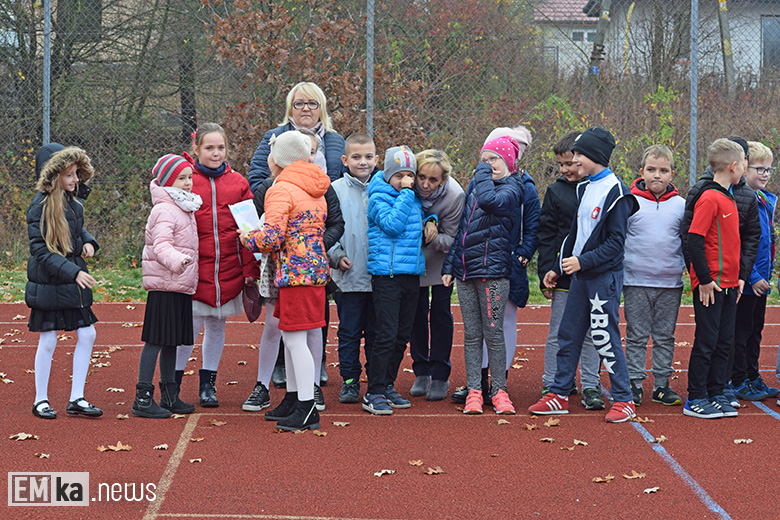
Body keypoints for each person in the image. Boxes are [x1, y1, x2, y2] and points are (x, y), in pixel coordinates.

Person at [529, 127, 638, 423]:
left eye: (578, 155)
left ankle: (624, 399)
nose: (574, 160)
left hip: (603, 278)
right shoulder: (585, 187)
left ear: (595, 156)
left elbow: (616, 244)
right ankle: (559, 393)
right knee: (568, 333)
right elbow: (574, 236)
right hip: (579, 277)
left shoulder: (617, 193)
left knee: (604, 336)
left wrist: (583, 262)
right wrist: (558, 266)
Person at [248, 82, 345, 387]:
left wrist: (246, 237)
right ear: (290, 107)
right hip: (284, 241)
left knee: (314, 313)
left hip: (314, 242)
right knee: (280, 314)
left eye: (312, 103)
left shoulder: (335, 141)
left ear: (322, 108)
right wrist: (282, 187)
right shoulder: (273, 141)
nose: (306, 108)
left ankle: (308, 384)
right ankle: (283, 372)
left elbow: (335, 189)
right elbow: (257, 181)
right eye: (300, 103)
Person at [240, 130, 330, 431]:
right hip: (313, 272)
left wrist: (247, 237)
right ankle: (294, 398)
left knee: (293, 340)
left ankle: (306, 406)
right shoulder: (315, 187)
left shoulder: (281, 189)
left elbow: (273, 236)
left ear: (278, 159)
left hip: (295, 274)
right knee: (296, 338)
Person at [442, 127, 528, 415]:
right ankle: (474, 389)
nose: (488, 164)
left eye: (494, 159)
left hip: (493, 274)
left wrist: (482, 172)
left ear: (509, 162)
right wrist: (450, 265)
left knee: (493, 332)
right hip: (467, 273)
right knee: (472, 333)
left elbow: (493, 202)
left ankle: (499, 389)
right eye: (484, 158)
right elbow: (463, 230)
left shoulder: (512, 188)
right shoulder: (475, 187)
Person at [175, 123, 259, 407]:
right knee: (188, 328)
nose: (216, 153)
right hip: (193, 271)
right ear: (196, 150)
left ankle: (207, 384)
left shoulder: (238, 183)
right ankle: (171, 384)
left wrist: (250, 269)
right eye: (209, 148)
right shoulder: (186, 180)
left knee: (216, 326)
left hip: (227, 270)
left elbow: (249, 230)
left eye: (220, 147)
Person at [681, 136, 760, 407]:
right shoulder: (709, 198)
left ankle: (716, 392)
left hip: (729, 284)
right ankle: (697, 396)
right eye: (746, 164)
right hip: (710, 284)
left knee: (725, 340)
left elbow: (735, 243)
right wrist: (703, 280)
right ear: (734, 167)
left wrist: (739, 278)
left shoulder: (729, 198)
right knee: (707, 341)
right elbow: (694, 238)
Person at [27, 145, 102, 419]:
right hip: (50, 282)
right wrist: (73, 272)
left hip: (71, 279)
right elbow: (41, 250)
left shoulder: (73, 201)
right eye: (69, 175)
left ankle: (77, 398)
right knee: (48, 340)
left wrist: (88, 241)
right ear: (53, 175)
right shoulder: (39, 206)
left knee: (88, 333)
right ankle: (40, 400)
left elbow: (76, 227)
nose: (75, 180)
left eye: (76, 174)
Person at [534, 130, 603, 410]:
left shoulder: (600, 190)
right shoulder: (555, 191)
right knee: (560, 331)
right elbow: (547, 235)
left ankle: (591, 385)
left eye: (569, 163)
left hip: (593, 273)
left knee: (591, 333)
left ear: (583, 160)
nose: (564, 170)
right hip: (562, 276)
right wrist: (547, 272)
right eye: (560, 165)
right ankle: (553, 381)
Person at [133, 155, 201, 418]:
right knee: (156, 341)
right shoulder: (164, 209)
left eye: (189, 177)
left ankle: (170, 396)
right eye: (181, 178)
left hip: (179, 284)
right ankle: (142, 398)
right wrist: (178, 260)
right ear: (168, 182)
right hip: (165, 285)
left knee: (171, 341)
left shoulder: (184, 207)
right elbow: (161, 246)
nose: (187, 183)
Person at [362, 146, 428, 415]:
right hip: (386, 276)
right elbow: (392, 225)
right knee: (386, 335)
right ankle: (373, 390)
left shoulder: (411, 199)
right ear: (388, 174)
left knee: (402, 335)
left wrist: (431, 219)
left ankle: (388, 383)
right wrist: (406, 193)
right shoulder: (379, 197)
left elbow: (417, 224)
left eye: (409, 175)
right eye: (399, 175)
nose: (405, 180)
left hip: (410, 275)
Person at [623, 145, 685, 407]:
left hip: (670, 283)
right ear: (641, 172)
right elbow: (619, 238)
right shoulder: (629, 202)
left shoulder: (682, 205)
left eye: (663, 170)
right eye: (651, 170)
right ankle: (634, 383)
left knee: (664, 336)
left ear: (672, 173)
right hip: (636, 281)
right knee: (636, 335)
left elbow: (687, 240)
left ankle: (661, 385)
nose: (656, 175)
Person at [409, 149, 465, 401]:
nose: (425, 184)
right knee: (415, 314)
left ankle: (440, 374)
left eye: (433, 180)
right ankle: (421, 371)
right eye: (421, 177)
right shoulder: (406, 187)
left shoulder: (455, 195)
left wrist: (429, 234)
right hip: (413, 260)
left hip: (442, 259)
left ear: (443, 180)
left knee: (440, 313)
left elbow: (452, 238)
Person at [328, 133, 379, 404]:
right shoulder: (334, 189)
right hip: (347, 277)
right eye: (357, 157)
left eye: (368, 157)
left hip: (378, 277)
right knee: (348, 332)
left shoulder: (383, 187)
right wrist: (335, 256)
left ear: (376, 159)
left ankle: (376, 380)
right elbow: (327, 229)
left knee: (375, 332)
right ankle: (349, 380)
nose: (363, 162)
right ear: (345, 160)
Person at [729, 141, 779, 401]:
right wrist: (754, 276)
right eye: (759, 168)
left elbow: (767, 242)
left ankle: (752, 375)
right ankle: (738, 379)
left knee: (756, 331)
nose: (764, 174)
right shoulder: (741, 201)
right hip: (746, 282)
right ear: (744, 168)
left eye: (769, 170)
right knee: (742, 331)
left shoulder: (766, 200)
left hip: (761, 280)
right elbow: (739, 245)